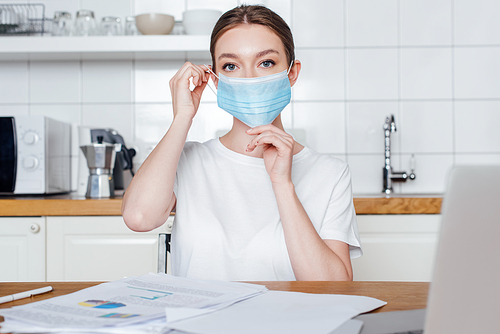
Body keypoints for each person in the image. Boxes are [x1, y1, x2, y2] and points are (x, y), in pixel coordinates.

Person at [122, 5, 362, 281]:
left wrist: (282, 185)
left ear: (292, 73)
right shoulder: (188, 160)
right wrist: (182, 118)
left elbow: (333, 289)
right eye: (231, 66)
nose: (248, 78)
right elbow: (139, 218)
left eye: (266, 62)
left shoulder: (330, 174)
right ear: (216, 78)